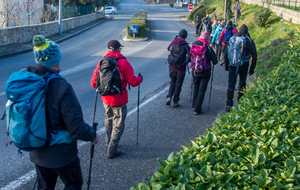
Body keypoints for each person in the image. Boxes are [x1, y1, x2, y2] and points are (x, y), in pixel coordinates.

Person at [28, 35, 99, 190]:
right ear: (56, 59)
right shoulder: (61, 86)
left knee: (45, 187)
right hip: (61, 154)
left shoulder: (28, 81)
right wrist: (92, 134)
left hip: (37, 150)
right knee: (73, 183)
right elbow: (76, 127)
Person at [91, 40, 142, 158]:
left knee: (108, 119)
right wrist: (140, 78)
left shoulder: (101, 62)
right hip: (119, 98)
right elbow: (133, 82)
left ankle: (108, 142)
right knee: (118, 124)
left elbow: (94, 83)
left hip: (106, 98)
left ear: (108, 49)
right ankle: (112, 150)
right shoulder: (124, 62)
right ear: (119, 49)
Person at [224, 24, 257, 112]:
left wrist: (227, 65)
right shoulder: (248, 40)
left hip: (232, 65)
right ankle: (240, 102)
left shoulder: (233, 39)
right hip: (244, 65)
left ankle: (229, 104)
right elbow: (254, 55)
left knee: (231, 84)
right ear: (247, 32)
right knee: (242, 83)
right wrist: (252, 68)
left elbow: (226, 52)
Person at [187, 31, 218, 115]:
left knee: (196, 88)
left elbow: (188, 59)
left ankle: (194, 105)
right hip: (205, 72)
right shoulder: (208, 48)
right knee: (202, 90)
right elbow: (215, 61)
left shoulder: (193, 46)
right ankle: (197, 109)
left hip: (195, 71)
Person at [166, 29, 190, 108]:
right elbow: (190, 55)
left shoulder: (174, 42)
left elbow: (168, 48)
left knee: (172, 81)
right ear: (185, 36)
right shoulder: (185, 46)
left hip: (172, 66)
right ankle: (175, 101)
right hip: (181, 67)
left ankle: (169, 97)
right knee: (178, 84)